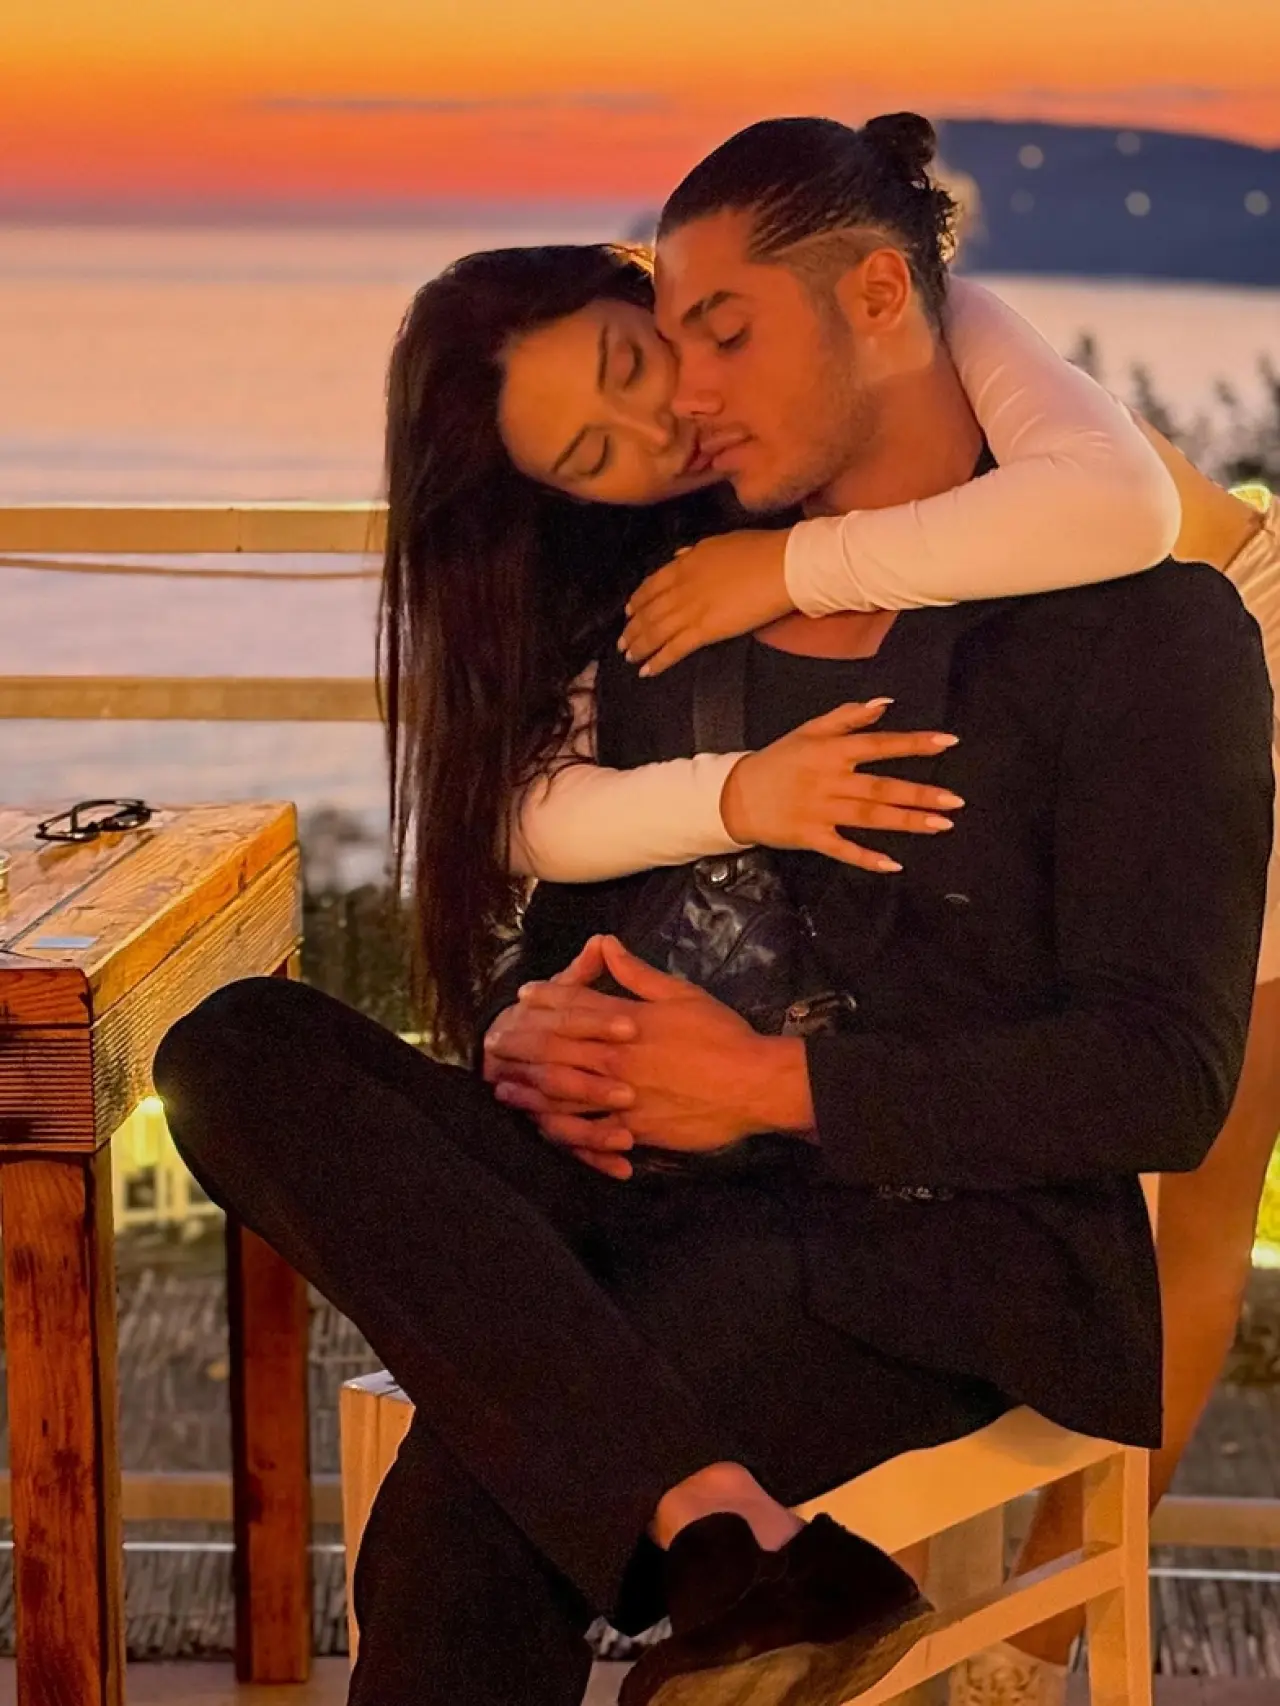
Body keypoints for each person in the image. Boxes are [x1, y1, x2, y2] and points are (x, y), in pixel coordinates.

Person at [150, 113, 1274, 1706]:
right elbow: (589, 905)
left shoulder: (1140, 631)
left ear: (875, 299)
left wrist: (765, 1084)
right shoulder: (674, 600)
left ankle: (706, 1536)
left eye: (717, 334)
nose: (685, 393)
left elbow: (1161, 1079)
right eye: (670, 344)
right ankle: (718, 1529)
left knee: (471, 1513)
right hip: (640, 1192)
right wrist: (540, 1032)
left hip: (912, 1250)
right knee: (232, 1046)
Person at [495, 281, 1280, 1706]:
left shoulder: (929, 309)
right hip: (1045, 670)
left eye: (640, 360)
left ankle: (1022, 1664)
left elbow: (1113, 511)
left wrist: (793, 565)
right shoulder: (711, 473)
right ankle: (877, 1616)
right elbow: (530, 811)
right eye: (593, 448)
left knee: (1196, 1198)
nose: (658, 419)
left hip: (1235, 626)